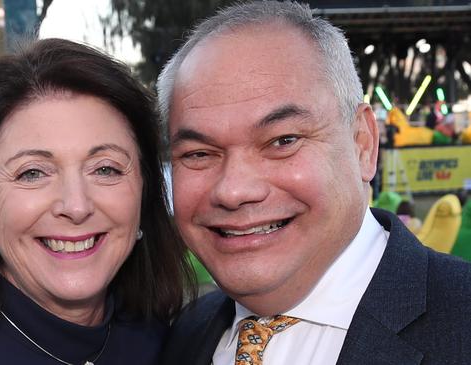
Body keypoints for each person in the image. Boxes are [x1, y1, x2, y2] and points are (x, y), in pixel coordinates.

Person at [156, 1, 471, 364]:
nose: (234, 190)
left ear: (362, 144)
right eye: (198, 154)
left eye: (283, 140)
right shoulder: (182, 334)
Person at [0, 38, 195, 364]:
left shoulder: (172, 343)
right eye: (33, 173)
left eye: (105, 168)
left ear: (144, 188)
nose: (76, 206)